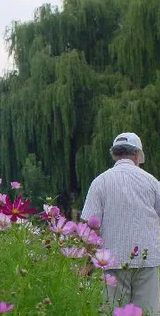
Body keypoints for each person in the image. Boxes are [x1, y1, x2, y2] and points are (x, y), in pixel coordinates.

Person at [81, 132, 160, 314]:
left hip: (112, 262)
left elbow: (91, 227)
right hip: (147, 261)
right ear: (136, 155)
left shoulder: (100, 182)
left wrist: (89, 263)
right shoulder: (152, 182)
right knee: (148, 312)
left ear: (115, 154)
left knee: (112, 311)